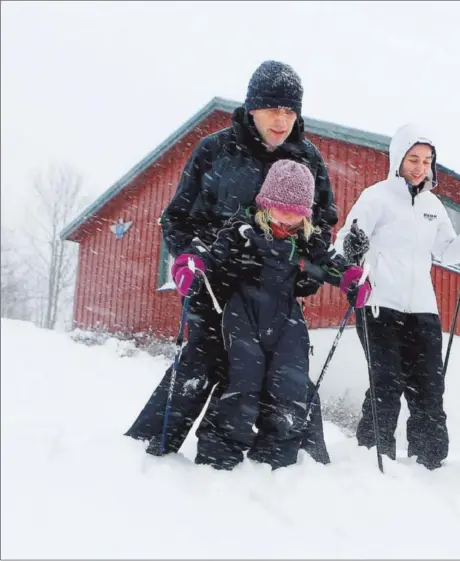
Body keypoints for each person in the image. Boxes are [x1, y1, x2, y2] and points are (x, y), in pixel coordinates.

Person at [124, 60, 338, 462]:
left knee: (289, 381)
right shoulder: (215, 150)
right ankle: (146, 455)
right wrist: (189, 258)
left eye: (290, 111)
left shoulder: (308, 158)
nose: (281, 120)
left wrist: (306, 274)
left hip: (275, 294)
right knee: (197, 368)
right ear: (252, 107)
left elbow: (322, 222)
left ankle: (299, 468)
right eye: (273, 108)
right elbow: (178, 218)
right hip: (218, 287)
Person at [186, 160, 370, 470]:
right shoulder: (242, 229)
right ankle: (218, 456)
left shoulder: (307, 239)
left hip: (286, 315)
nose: (288, 214)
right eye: (280, 206)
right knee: (244, 379)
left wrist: (351, 277)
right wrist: (193, 265)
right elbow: (211, 256)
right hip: (243, 310)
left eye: (297, 209)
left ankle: (275, 460)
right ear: (265, 203)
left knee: (291, 385)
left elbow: (329, 262)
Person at [334, 123, 460, 470]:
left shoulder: (434, 205)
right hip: (379, 305)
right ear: (399, 158)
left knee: (429, 388)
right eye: (414, 158)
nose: (421, 167)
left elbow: (448, 250)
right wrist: (352, 250)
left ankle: (429, 463)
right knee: (386, 382)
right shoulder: (376, 197)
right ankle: (374, 458)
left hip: (422, 309)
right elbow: (344, 242)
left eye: (427, 160)